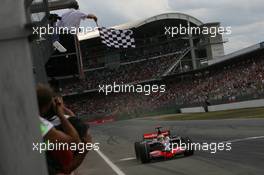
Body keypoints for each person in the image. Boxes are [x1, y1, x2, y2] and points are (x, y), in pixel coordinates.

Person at [36, 84, 91, 175]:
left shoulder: (40, 121)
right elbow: (75, 141)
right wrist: (61, 113)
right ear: (45, 107)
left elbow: (73, 119)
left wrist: (61, 110)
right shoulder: (42, 125)